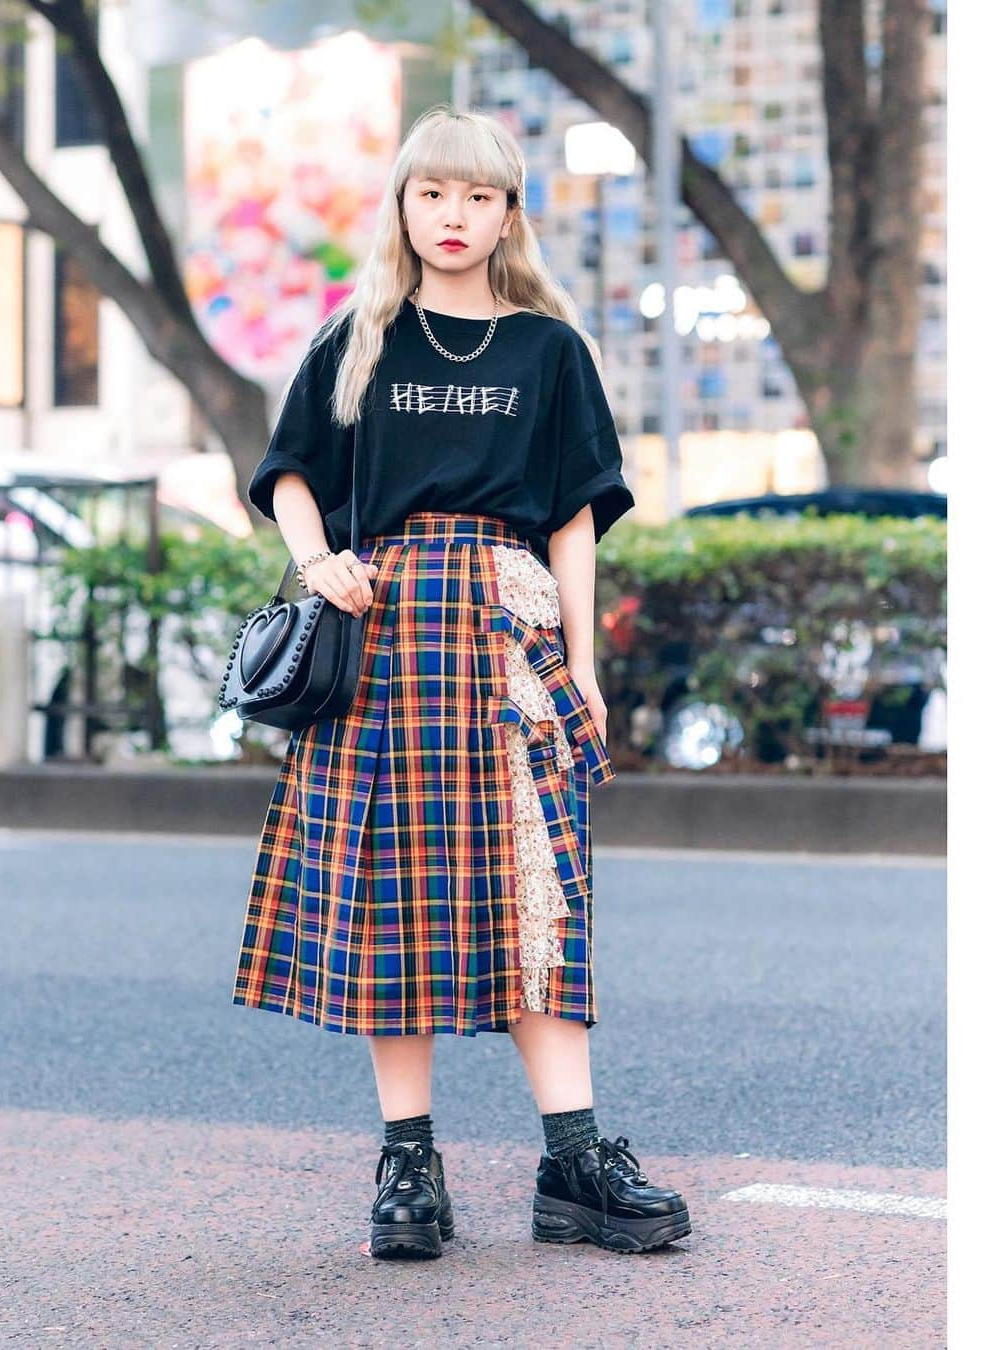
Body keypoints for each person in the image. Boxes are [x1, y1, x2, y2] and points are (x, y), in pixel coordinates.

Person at [231, 106, 691, 1259]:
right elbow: (289, 474)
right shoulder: (358, 339)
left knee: (545, 896)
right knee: (394, 904)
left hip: (510, 636)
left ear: (508, 213)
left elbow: (577, 519)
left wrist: (584, 665)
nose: (455, 216)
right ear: (402, 203)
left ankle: (575, 1165)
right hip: (382, 637)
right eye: (434, 193)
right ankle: (408, 1170)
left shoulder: (549, 349)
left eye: (479, 197)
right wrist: (316, 559)